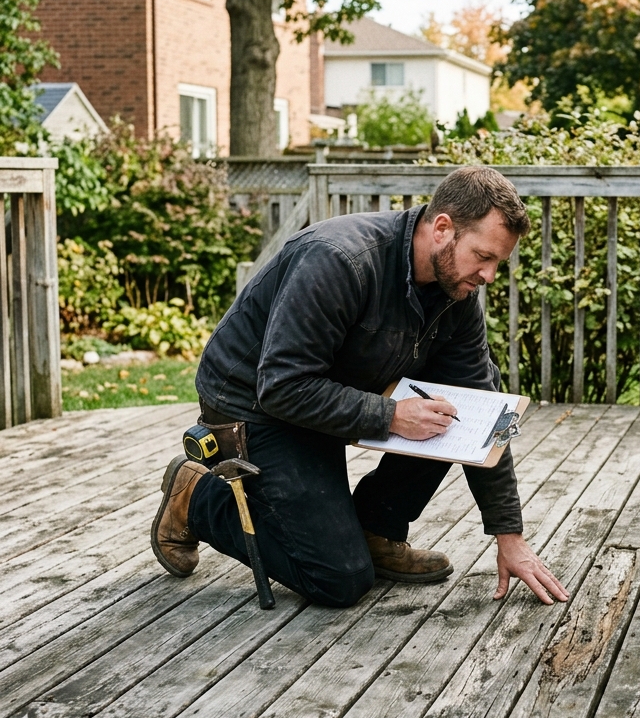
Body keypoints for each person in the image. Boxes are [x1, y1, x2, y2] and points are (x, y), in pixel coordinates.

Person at [151, 165, 568, 607]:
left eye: (497, 263)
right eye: (483, 257)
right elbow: (282, 386)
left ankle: (375, 529)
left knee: (461, 402)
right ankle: (197, 497)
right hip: (253, 406)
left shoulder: (455, 292)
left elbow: (485, 409)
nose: (488, 275)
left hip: (334, 396)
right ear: (442, 228)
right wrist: (390, 415)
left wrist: (509, 534)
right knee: (339, 579)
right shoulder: (339, 259)